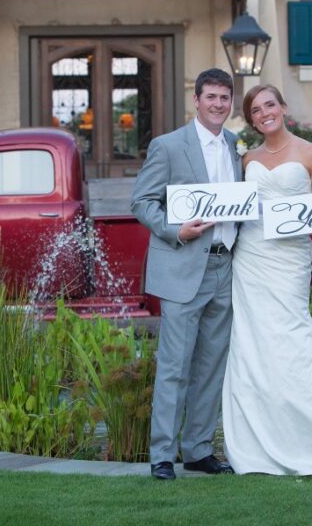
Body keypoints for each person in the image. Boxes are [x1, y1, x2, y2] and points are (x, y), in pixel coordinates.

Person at [131, 68, 242, 479]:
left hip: (225, 267)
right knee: (175, 365)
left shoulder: (235, 145)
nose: (218, 104)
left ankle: (197, 449)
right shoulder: (168, 146)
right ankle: (162, 454)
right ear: (196, 100)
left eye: (224, 98)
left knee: (212, 364)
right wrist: (174, 230)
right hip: (182, 267)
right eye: (211, 97)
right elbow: (142, 202)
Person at [222, 84, 312, 475]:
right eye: (255, 110)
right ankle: (253, 445)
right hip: (252, 257)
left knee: (293, 341)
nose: (264, 114)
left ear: (283, 107)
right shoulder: (246, 159)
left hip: (291, 258)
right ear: (252, 120)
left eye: (269, 105)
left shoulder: (308, 152)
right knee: (251, 345)